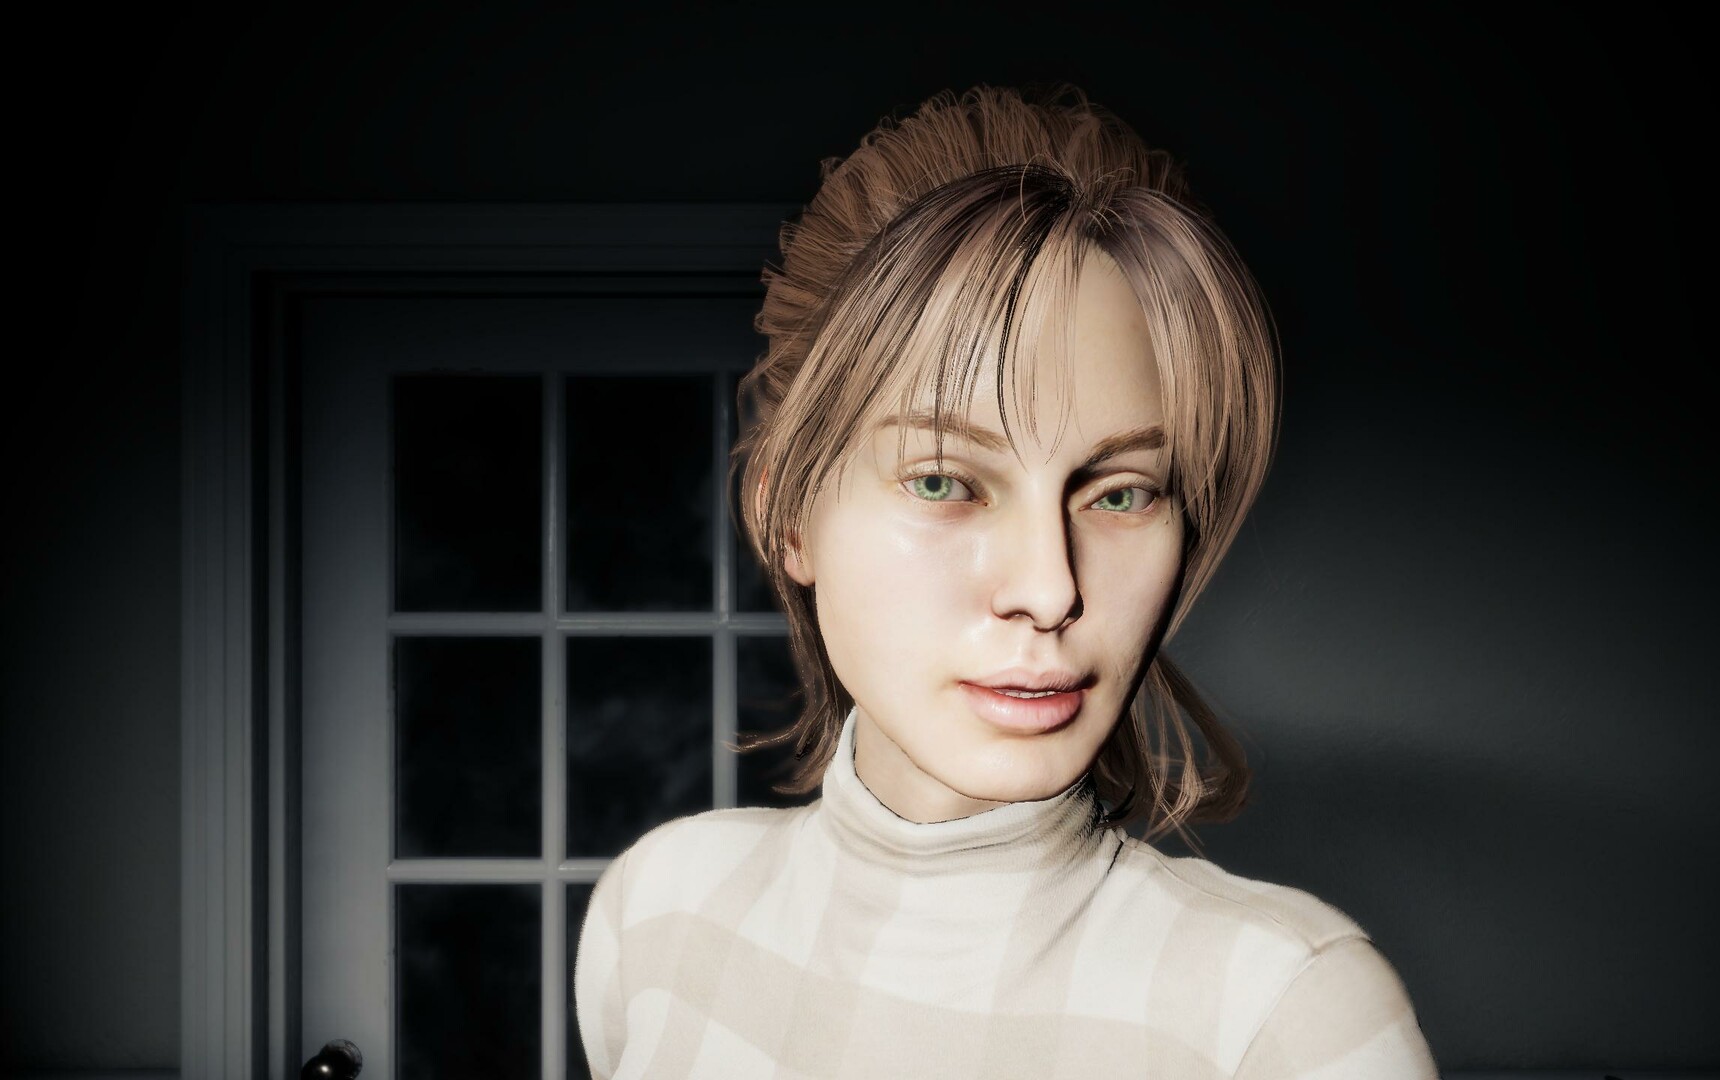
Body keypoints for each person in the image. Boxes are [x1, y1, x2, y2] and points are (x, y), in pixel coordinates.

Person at [575, 83, 1438, 1078]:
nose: (1050, 589)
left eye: (1120, 494)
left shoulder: (1284, 1015)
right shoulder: (659, 911)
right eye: (945, 481)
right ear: (789, 516)